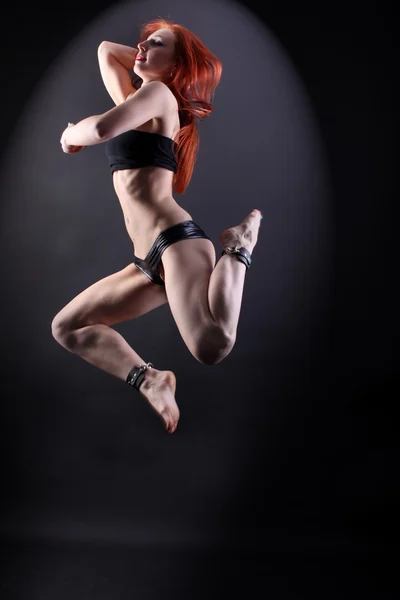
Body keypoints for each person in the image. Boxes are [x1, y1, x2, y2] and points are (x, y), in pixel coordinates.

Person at [52, 17, 262, 434]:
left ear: (175, 68)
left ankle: (239, 246)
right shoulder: (141, 97)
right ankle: (150, 379)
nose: (142, 47)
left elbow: (99, 128)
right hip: (146, 259)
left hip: (175, 243)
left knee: (212, 345)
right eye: (142, 42)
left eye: (156, 44)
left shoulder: (161, 95)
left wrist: (70, 134)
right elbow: (107, 50)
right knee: (69, 327)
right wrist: (151, 55)